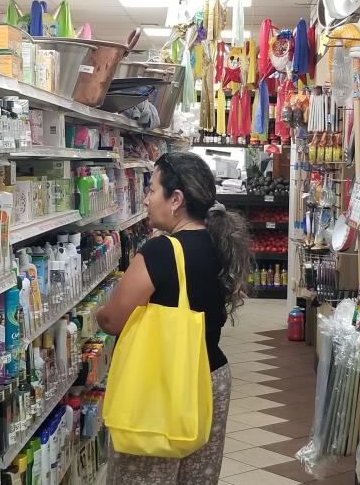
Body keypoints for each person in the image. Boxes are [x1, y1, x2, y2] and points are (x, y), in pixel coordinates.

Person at [97, 152, 251, 485]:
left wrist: (96, 313)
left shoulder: (162, 251)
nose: (147, 199)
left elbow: (112, 320)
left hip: (164, 382)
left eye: (152, 189)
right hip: (211, 377)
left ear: (176, 199)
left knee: (142, 476)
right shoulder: (221, 241)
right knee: (197, 476)